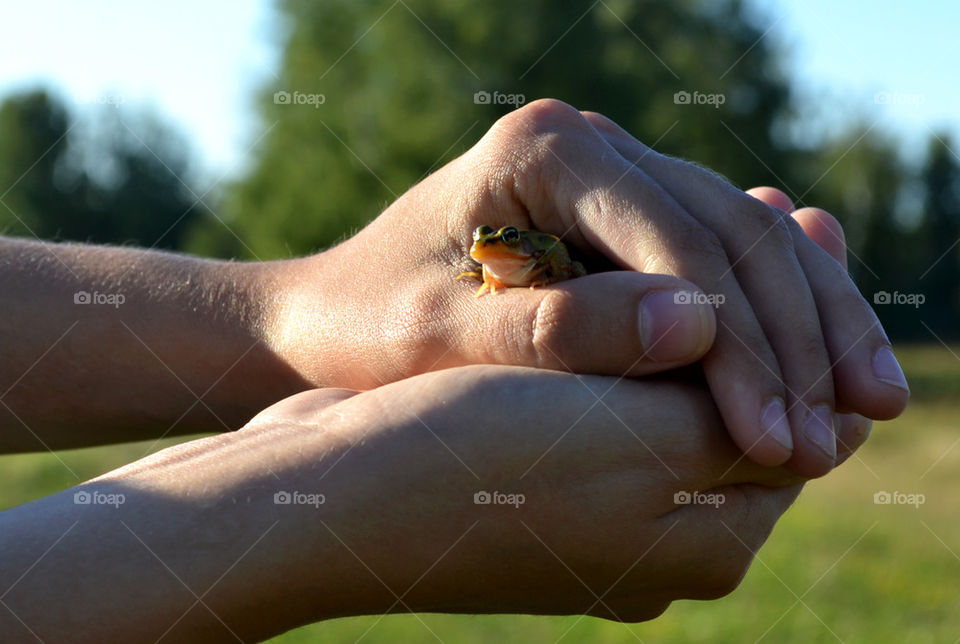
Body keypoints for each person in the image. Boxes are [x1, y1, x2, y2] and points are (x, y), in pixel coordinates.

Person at [0, 100, 907, 641]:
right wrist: (323, 500)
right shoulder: (493, 262)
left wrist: (296, 315)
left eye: (501, 240)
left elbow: (520, 270)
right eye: (488, 245)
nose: (489, 248)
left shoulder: (528, 258)